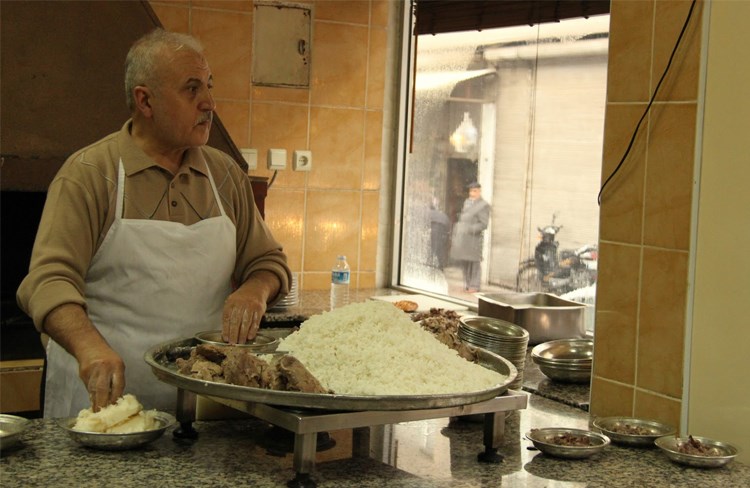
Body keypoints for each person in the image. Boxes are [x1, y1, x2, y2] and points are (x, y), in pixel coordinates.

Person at [16, 29, 292, 418]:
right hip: (106, 406)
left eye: (209, 87)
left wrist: (255, 291)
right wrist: (89, 349)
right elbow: (48, 282)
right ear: (145, 100)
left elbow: (268, 262)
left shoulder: (224, 175)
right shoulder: (90, 174)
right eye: (192, 90)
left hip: (206, 410)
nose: (209, 103)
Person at [449, 182, 490, 293]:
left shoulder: (483, 205)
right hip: (463, 239)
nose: (472, 193)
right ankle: (467, 284)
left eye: (475, 191)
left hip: (474, 240)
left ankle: (474, 286)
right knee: (465, 262)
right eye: (471, 191)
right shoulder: (467, 202)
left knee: (474, 263)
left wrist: (470, 229)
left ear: (479, 191)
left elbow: (483, 224)